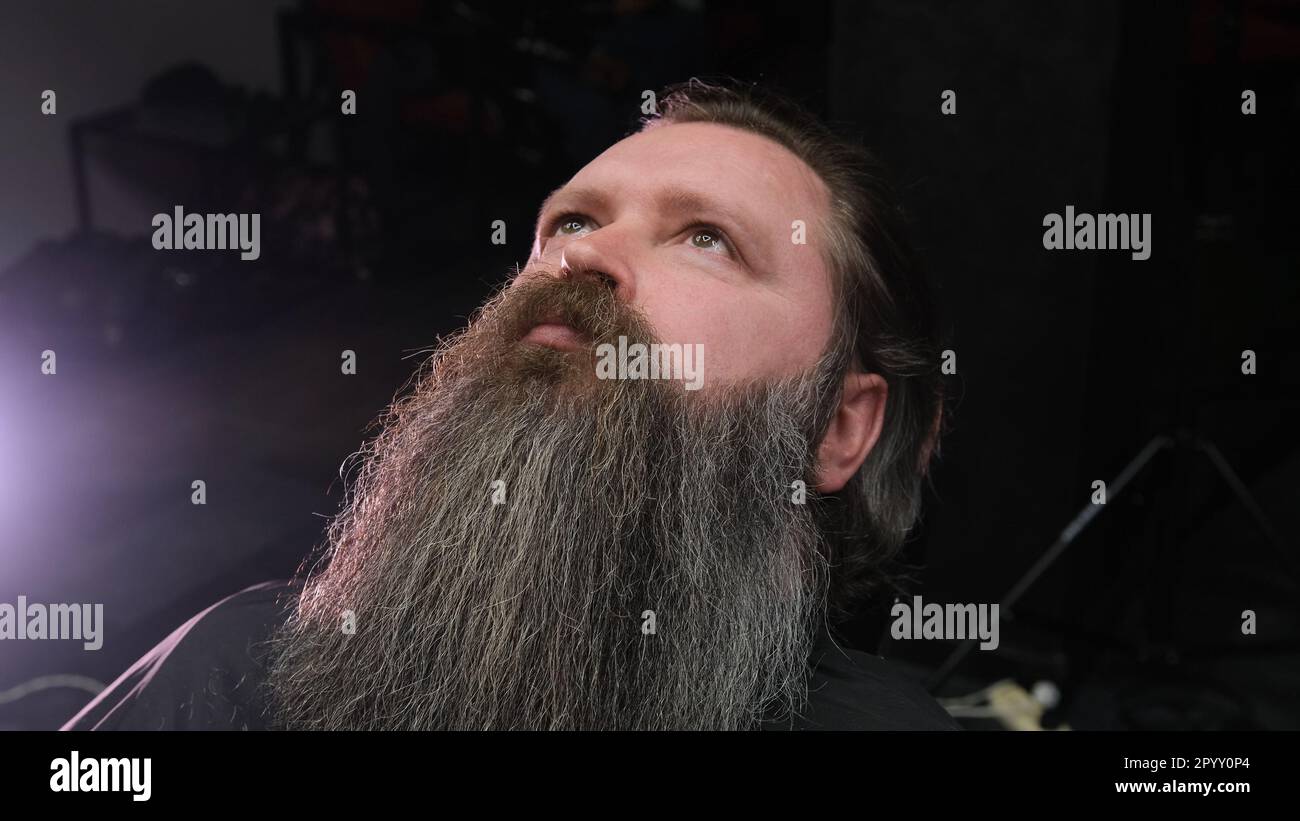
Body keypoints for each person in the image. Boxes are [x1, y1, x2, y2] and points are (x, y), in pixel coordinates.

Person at [63, 78, 955, 731]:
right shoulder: (241, 674)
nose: (585, 255)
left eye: (708, 238)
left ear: (840, 427)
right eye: (569, 222)